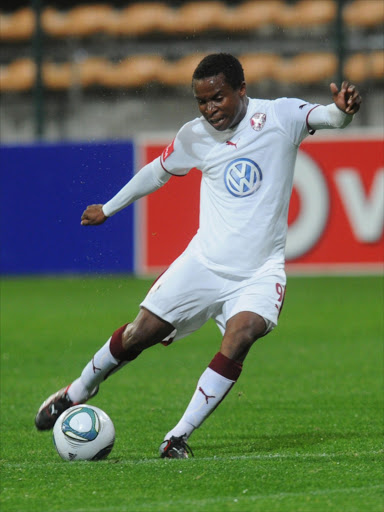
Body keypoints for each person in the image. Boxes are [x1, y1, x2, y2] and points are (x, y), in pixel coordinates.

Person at [35, 53, 361, 458]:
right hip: (203, 263)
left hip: (259, 271)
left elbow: (329, 117)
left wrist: (344, 112)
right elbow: (156, 172)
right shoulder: (195, 136)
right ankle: (78, 389)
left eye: (218, 98)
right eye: (202, 102)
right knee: (140, 335)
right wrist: (108, 207)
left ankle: (177, 436)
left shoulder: (280, 116)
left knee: (241, 335)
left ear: (242, 89)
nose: (210, 110)